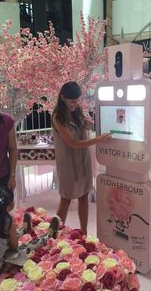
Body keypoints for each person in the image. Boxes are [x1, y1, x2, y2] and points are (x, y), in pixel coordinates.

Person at [52, 81, 111, 234]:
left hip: (83, 162)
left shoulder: (77, 110)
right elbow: (72, 143)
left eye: (77, 100)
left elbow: (88, 126)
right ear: (63, 97)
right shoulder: (58, 116)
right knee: (66, 199)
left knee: (84, 197)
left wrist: (92, 122)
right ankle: (55, 235)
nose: (75, 104)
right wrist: (98, 140)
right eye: (72, 101)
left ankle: (83, 233)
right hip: (68, 165)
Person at [0, 186, 60, 276]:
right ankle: (48, 236)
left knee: (5, 237)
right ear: (9, 204)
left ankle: (24, 229)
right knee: (26, 247)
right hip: (0, 266)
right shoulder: (8, 220)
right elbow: (14, 246)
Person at [0, 90, 17, 190]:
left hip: (2, 176)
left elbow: (12, 149)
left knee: (6, 204)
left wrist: (12, 176)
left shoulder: (6, 121)